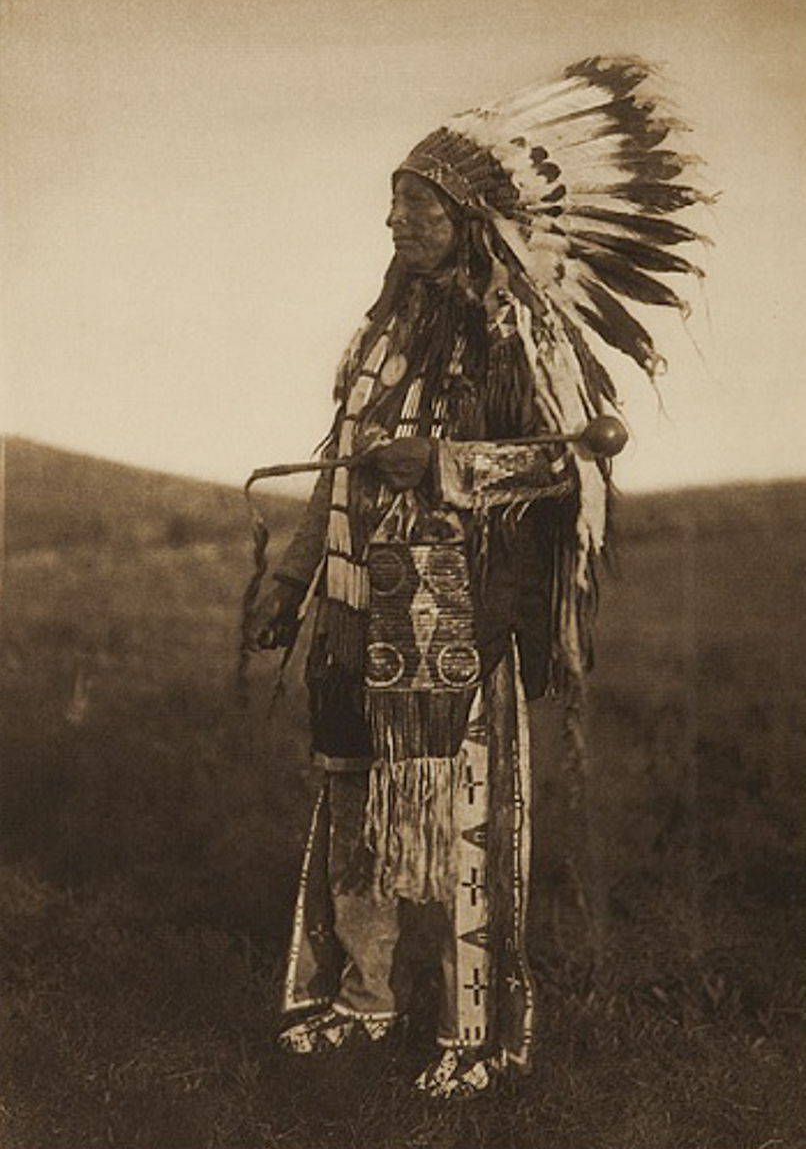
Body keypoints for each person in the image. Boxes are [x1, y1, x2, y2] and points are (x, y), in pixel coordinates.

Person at [244, 56, 707, 1098]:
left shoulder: (517, 335)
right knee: (353, 806)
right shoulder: (381, 333)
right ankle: (358, 1001)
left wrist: (447, 465)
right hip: (357, 612)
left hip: (458, 615)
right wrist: (293, 576)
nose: (394, 223)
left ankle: (478, 1035)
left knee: (466, 822)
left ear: (469, 220)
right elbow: (340, 461)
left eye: (416, 207)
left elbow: (575, 461)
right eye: (393, 205)